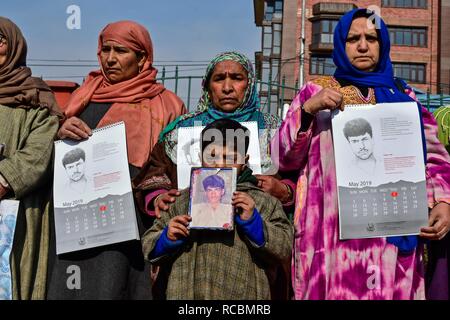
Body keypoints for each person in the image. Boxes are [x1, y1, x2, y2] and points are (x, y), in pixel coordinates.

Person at [272, 8, 450, 300]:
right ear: (341, 45)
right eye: (353, 39)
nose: (363, 46)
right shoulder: (314, 93)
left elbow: (436, 158)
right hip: (330, 240)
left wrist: (443, 201)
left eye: (372, 38)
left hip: (389, 243)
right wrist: (308, 112)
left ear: (384, 44)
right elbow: (281, 158)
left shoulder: (404, 98)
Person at [47, 20, 186, 300]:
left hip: (132, 221)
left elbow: (173, 165)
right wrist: (60, 131)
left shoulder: (168, 104)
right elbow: (57, 156)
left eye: (121, 51)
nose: (110, 59)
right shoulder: (82, 96)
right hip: (78, 221)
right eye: (105, 50)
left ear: (143, 57)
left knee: (119, 286)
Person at [141, 119, 293, 299]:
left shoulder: (261, 202)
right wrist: (167, 238)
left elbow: (285, 247)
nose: (220, 164)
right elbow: (148, 244)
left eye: (231, 158)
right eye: (212, 156)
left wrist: (254, 223)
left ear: (245, 161)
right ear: (200, 158)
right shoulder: (181, 201)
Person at [0, 17, 62, 299]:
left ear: (14, 46)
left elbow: (40, 152)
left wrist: (4, 179)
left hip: (16, 212)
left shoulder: (35, 98)